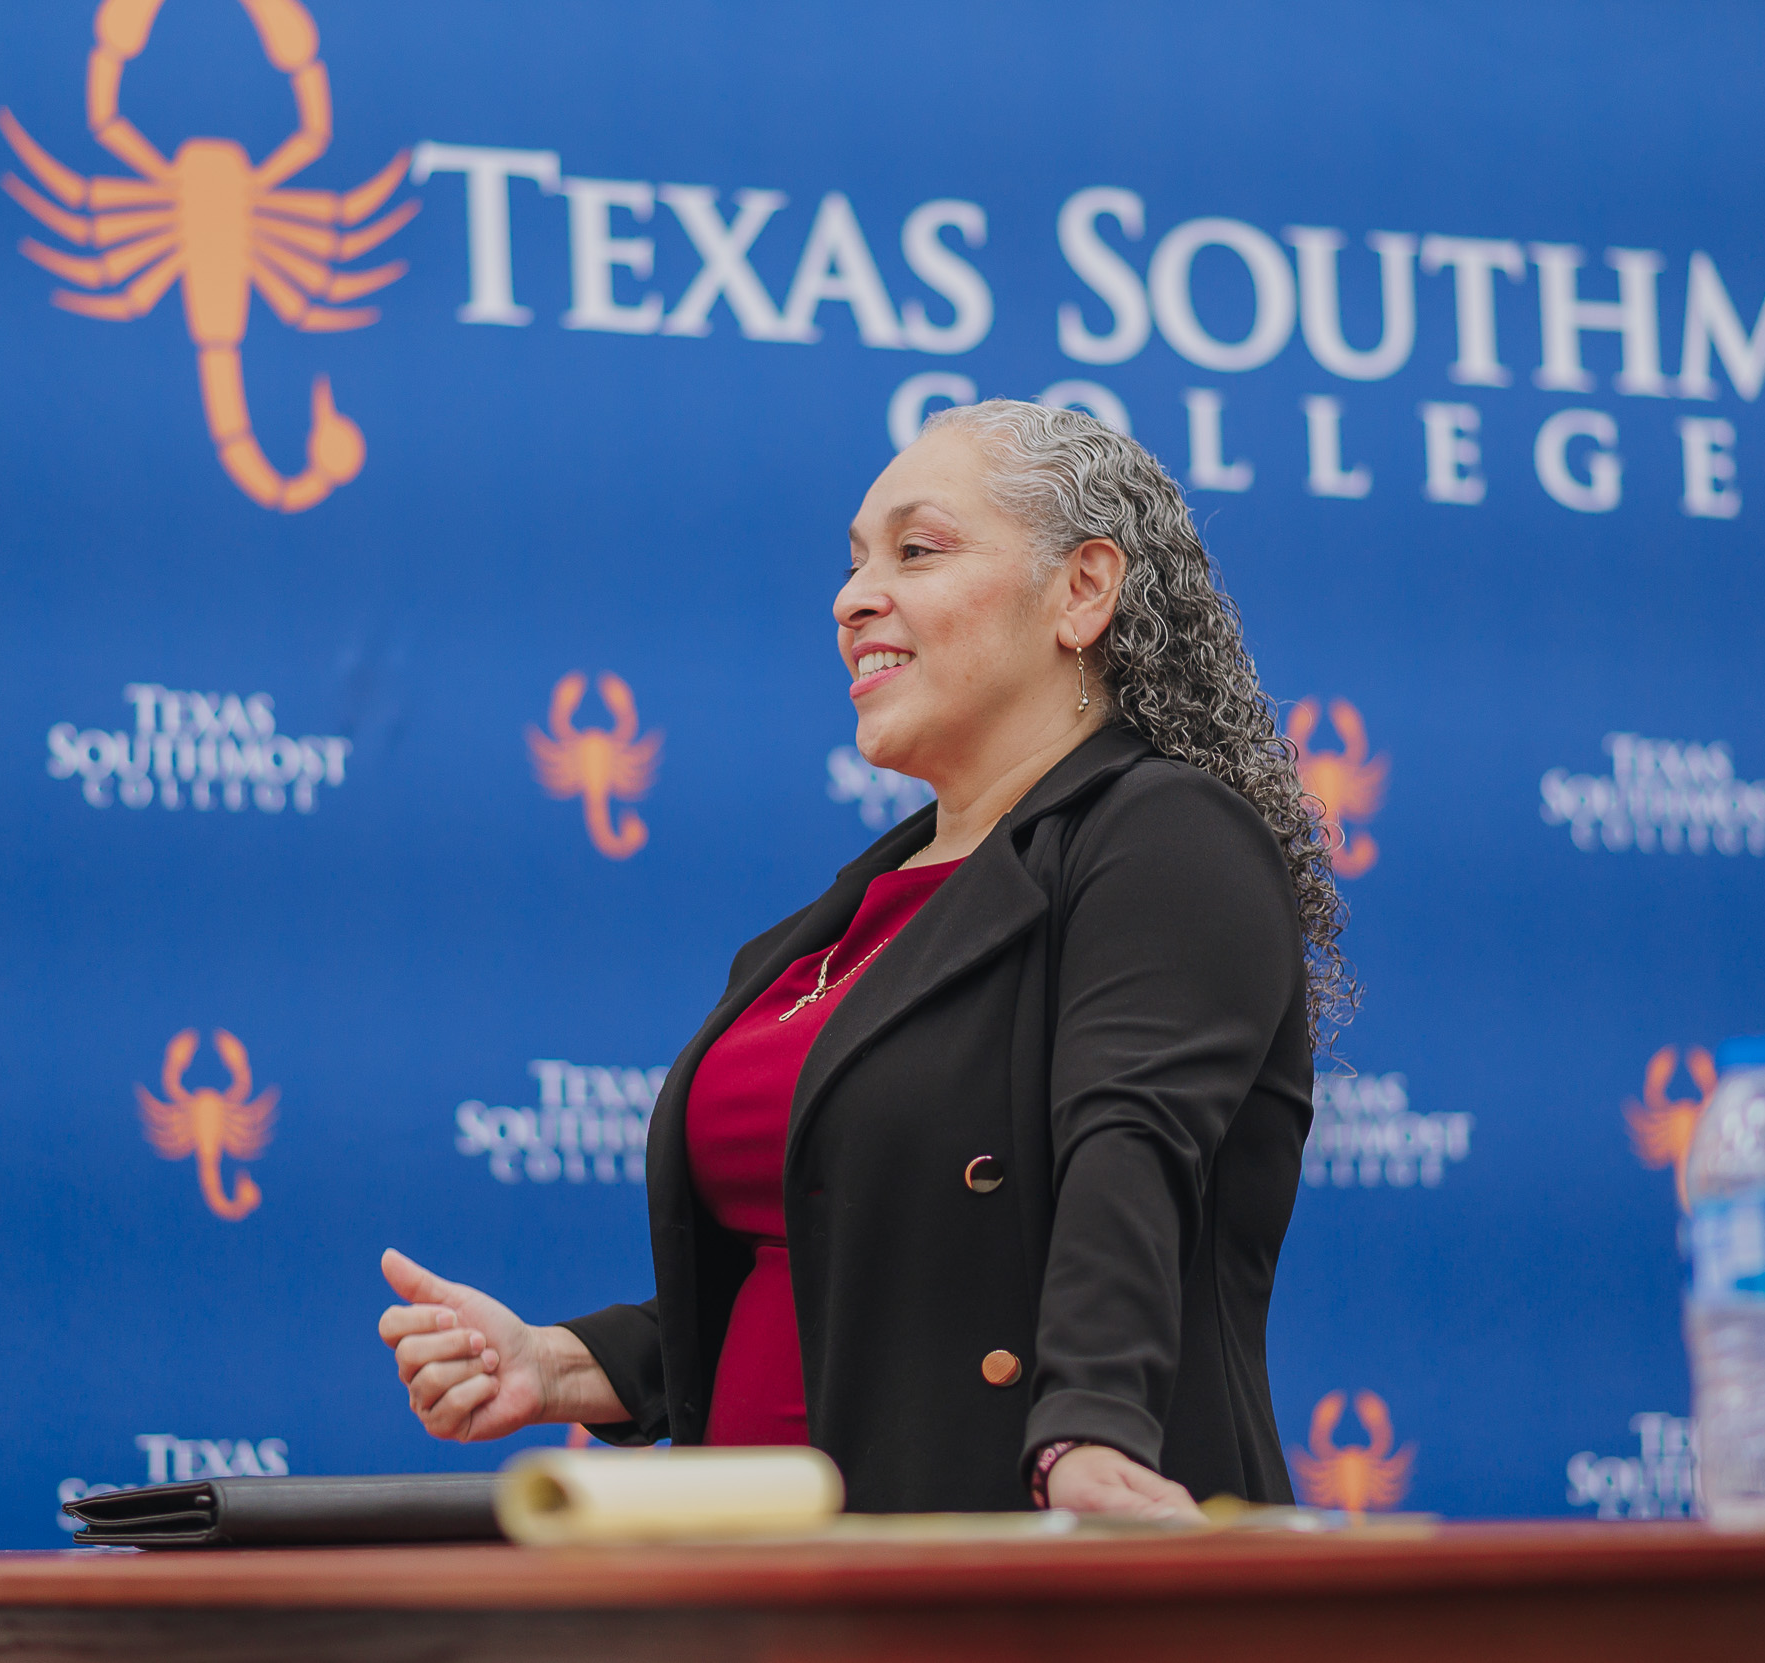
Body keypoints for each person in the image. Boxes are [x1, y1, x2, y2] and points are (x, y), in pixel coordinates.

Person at [379, 400, 1350, 1518]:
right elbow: (835, 1270)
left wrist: (1090, 1428)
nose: (851, 599)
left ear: (1082, 591)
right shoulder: (836, 924)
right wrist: (562, 1365)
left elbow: (1129, 1153)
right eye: (851, 563)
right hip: (752, 1571)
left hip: (1004, 1554)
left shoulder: (1164, 833)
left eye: (916, 551)